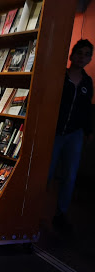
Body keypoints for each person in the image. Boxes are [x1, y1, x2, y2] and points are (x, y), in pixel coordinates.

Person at [48, 39, 94, 231]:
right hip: (55, 132)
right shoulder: (60, 76)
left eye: (86, 55)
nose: (82, 58)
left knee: (70, 175)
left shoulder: (87, 82)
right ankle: (30, 210)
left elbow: (85, 109)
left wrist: (88, 131)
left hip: (74, 134)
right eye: (79, 53)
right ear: (71, 55)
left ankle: (61, 213)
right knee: (47, 173)